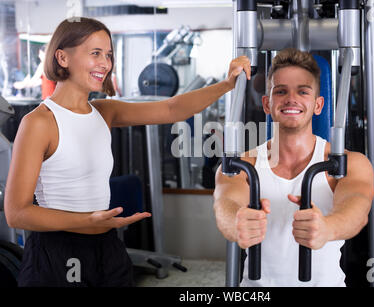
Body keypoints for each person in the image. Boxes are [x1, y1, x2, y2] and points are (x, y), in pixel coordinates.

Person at [4, 17, 250, 287]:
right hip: (59, 248)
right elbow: (17, 212)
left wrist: (227, 84)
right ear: (62, 57)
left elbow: (172, 109)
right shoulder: (40, 122)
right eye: (95, 53)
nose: (105, 63)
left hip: (107, 243)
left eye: (108, 55)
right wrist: (87, 220)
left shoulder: (104, 112)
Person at [213, 48, 374, 287]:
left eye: (302, 91)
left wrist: (327, 228)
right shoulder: (243, 165)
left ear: (318, 105)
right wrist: (237, 222)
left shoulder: (349, 163)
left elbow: (357, 210)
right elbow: (224, 204)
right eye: (281, 91)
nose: (291, 99)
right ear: (267, 104)